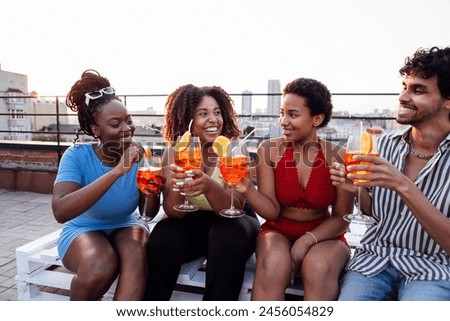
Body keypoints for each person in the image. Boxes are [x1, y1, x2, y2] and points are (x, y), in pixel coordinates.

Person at [330, 46, 450, 300]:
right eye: (404, 87)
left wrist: (403, 185)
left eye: (418, 90)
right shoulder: (382, 146)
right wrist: (357, 188)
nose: (403, 96)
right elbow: (374, 212)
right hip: (373, 263)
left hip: (434, 270)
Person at [235, 78, 354, 300]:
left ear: (316, 119)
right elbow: (271, 211)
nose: (283, 121)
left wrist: (307, 240)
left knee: (318, 267)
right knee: (273, 263)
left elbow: (342, 218)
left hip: (325, 234)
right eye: (282, 113)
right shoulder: (268, 150)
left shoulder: (338, 156)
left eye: (293, 114)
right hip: (277, 230)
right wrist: (247, 190)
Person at [52, 70, 161, 300]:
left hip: (126, 224)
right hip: (84, 228)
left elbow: (148, 214)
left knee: (136, 251)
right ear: (95, 129)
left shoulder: (140, 155)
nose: (127, 129)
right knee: (100, 263)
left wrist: (153, 187)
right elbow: (61, 211)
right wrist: (118, 171)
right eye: (115, 124)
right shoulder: (77, 155)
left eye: (128, 121)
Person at [145, 84, 260, 301]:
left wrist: (208, 185)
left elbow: (232, 208)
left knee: (225, 237)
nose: (213, 119)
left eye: (217, 113)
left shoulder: (234, 150)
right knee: (162, 238)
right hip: (194, 219)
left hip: (236, 220)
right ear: (188, 120)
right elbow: (175, 212)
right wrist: (180, 179)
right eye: (203, 114)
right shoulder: (175, 151)